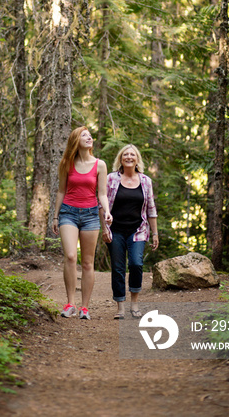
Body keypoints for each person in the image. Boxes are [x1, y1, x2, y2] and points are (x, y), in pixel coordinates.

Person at [52, 126, 112, 320]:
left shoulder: (100, 165)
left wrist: (107, 212)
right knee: (70, 256)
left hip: (90, 215)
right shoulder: (66, 163)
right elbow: (61, 191)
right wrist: (55, 216)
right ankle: (70, 303)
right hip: (68, 212)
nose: (89, 138)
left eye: (90, 135)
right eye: (84, 135)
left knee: (87, 263)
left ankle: (84, 307)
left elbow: (102, 193)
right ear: (76, 141)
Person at [100, 144, 158, 319]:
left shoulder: (146, 181)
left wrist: (155, 233)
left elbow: (151, 209)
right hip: (115, 230)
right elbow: (101, 206)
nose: (129, 156)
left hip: (138, 230)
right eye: (125, 154)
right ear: (120, 158)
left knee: (135, 264)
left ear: (137, 159)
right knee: (118, 268)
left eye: (132, 154)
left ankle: (134, 303)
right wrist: (104, 228)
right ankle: (120, 307)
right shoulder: (111, 179)